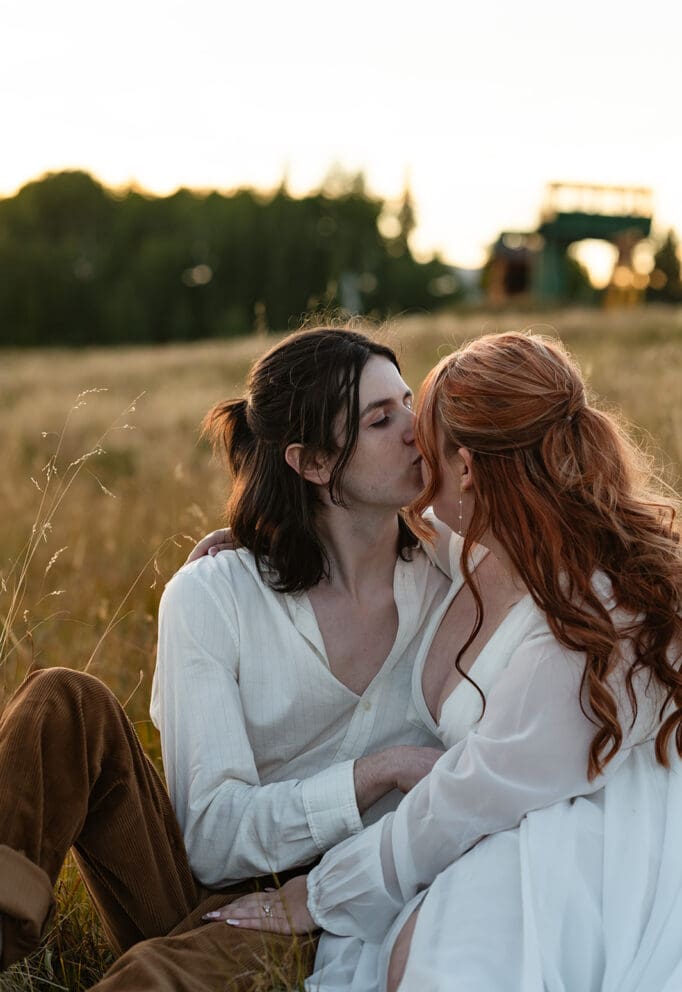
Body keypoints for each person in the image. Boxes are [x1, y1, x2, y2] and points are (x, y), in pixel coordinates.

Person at [0, 325, 469, 991]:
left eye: (408, 405)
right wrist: (377, 772)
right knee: (61, 701)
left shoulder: (459, 579)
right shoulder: (216, 593)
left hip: (328, 909)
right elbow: (213, 841)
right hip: (199, 887)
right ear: (309, 463)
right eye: (380, 418)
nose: (414, 430)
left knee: (153, 979)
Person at [213, 331, 682, 992]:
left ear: (466, 470)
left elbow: (481, 788)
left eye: (418, 426)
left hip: (588, 832)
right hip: (483, 816)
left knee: (433, 955)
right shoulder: (476, 541)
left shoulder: (598, 617)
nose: (407, 439)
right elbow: (362, 532)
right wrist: (264, 535)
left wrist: (319, 895)